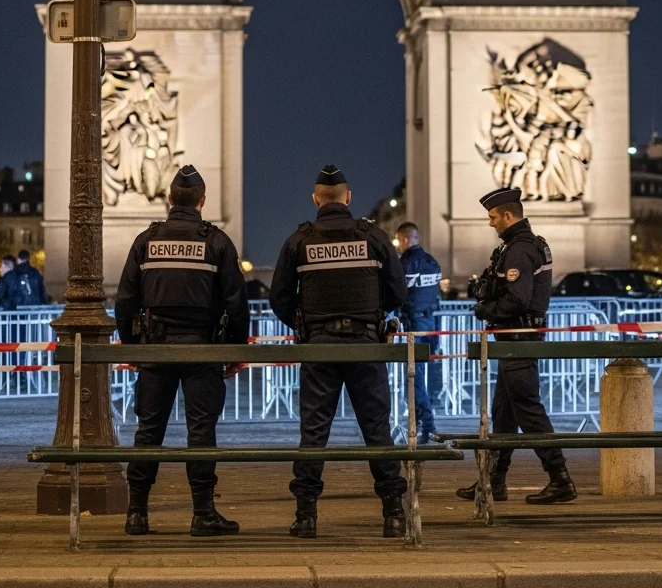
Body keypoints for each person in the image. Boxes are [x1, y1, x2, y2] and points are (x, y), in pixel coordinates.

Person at [270, 164, 408, 539]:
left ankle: (306, 516)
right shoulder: (374, 236)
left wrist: (306, 326)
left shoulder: (299, 241)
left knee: (313, 433)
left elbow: (279, 298)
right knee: (377, 430)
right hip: (366, 346)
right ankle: (394, 512)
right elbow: (398, 291)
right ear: (348, 198)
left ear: (316, 200)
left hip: (319, 348)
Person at [114, 165, 249, 538]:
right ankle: (203, 513)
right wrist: (237, 349)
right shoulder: (217, 241)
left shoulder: (147, 240)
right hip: (202, 350)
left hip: (156, 349)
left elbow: (125, 300)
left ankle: (137, 513)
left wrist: (131, 346)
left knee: (148, 431)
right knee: (201, 431)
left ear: (170, 199)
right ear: (202, 201)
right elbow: (237, 302)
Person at [456, 187, 577, 505]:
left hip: (518, 340)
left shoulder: (519, 250)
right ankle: (493, 481)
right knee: (504, 413)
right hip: (516, 340)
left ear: (509, 216)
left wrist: (485, 310)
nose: (491, 223)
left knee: (528, 410)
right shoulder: (522, 246)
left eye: (493, 217)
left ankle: (560, 478)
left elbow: (517, 299)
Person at [394, 221, 442, 442]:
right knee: (421, 375)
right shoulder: (432, 262)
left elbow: (396, 296)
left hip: (413, 326)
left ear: (405, 239)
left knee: (414, 377)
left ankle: (425, 423)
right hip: (431, 323)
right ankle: (420, 422)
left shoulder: (404, 265)